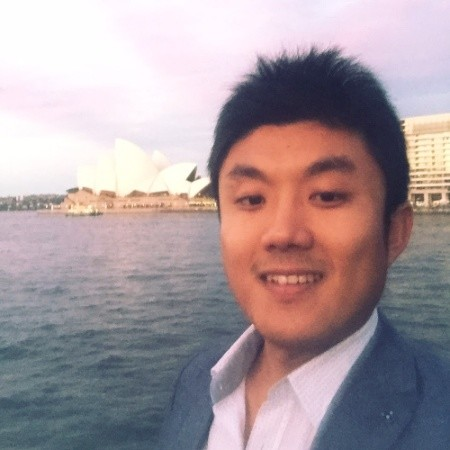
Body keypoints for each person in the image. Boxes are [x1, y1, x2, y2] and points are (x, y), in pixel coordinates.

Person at [158, 48, 449, 449]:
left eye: (327, 195)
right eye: (252, 199)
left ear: (395, 232)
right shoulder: (197, 381)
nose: (282, 233)